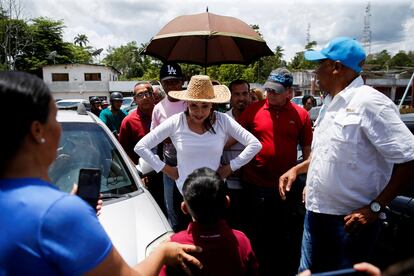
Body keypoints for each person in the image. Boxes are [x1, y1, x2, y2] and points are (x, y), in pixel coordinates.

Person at [0, 71, 202, 275]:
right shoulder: (61, 214)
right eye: (54, 118)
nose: (59, 129)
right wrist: (164, 251)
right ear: (37, 131)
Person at [278, 37, 414, 273]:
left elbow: (410, 159)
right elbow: (327, 154)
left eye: (319, 65)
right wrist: (297, 170)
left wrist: (374, 208)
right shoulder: (330, 102)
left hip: (349, 224)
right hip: (315, 215)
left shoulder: (370, 103)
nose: (315, 73)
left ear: (337, 67)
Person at [135, 75, 262, 232]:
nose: (199, 112)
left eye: (205, 106)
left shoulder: (223, 121)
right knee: (186, 241)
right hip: (184, 195)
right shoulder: (176, 122)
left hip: (215, 194)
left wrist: (231, 167)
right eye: (194, 105)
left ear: (212, 105)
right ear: (186, 103)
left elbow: (255, 144)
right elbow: (141, 147)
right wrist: (166, 169)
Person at [238, 68, 313, 275]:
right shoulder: (253, 110)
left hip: (285, 190)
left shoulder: (301, 115)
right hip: (254, 186)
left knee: (282, 236)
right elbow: (230, 137)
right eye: (268, 89)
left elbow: (308, 154)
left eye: (276, 91)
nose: (270, 94)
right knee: (256, 235)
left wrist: (307, 181)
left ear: (289, 92)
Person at [160, 167, 259, 276]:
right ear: (227, 202)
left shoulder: (174, 246)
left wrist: (160, 253)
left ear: (184, 208)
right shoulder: (241, 241)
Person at [151, 62, 187, 231]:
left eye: (175, 81)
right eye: (167, 82)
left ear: (182, 81)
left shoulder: (191, 103)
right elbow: (152, 138)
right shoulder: (158, 109)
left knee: (192, 206)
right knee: (171, 208)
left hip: (191, 164)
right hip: (170, 166)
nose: (171, 86)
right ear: (161, 83)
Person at [221, 79, 251, 231]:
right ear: (230, 97)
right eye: (237, 94)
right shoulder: (222, 120)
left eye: (245, 93)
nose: (241, 98)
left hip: (253, 184)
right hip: (230, 184)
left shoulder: (258, 117)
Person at [119, 81, 155, 164]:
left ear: (153, 96)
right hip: (143, 173)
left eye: (147, 93)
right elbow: (124, 151)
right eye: (140, 95)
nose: (145, 97)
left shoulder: (163, 115)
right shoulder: (128, 122)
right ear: (135, 100)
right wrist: (136, 171)